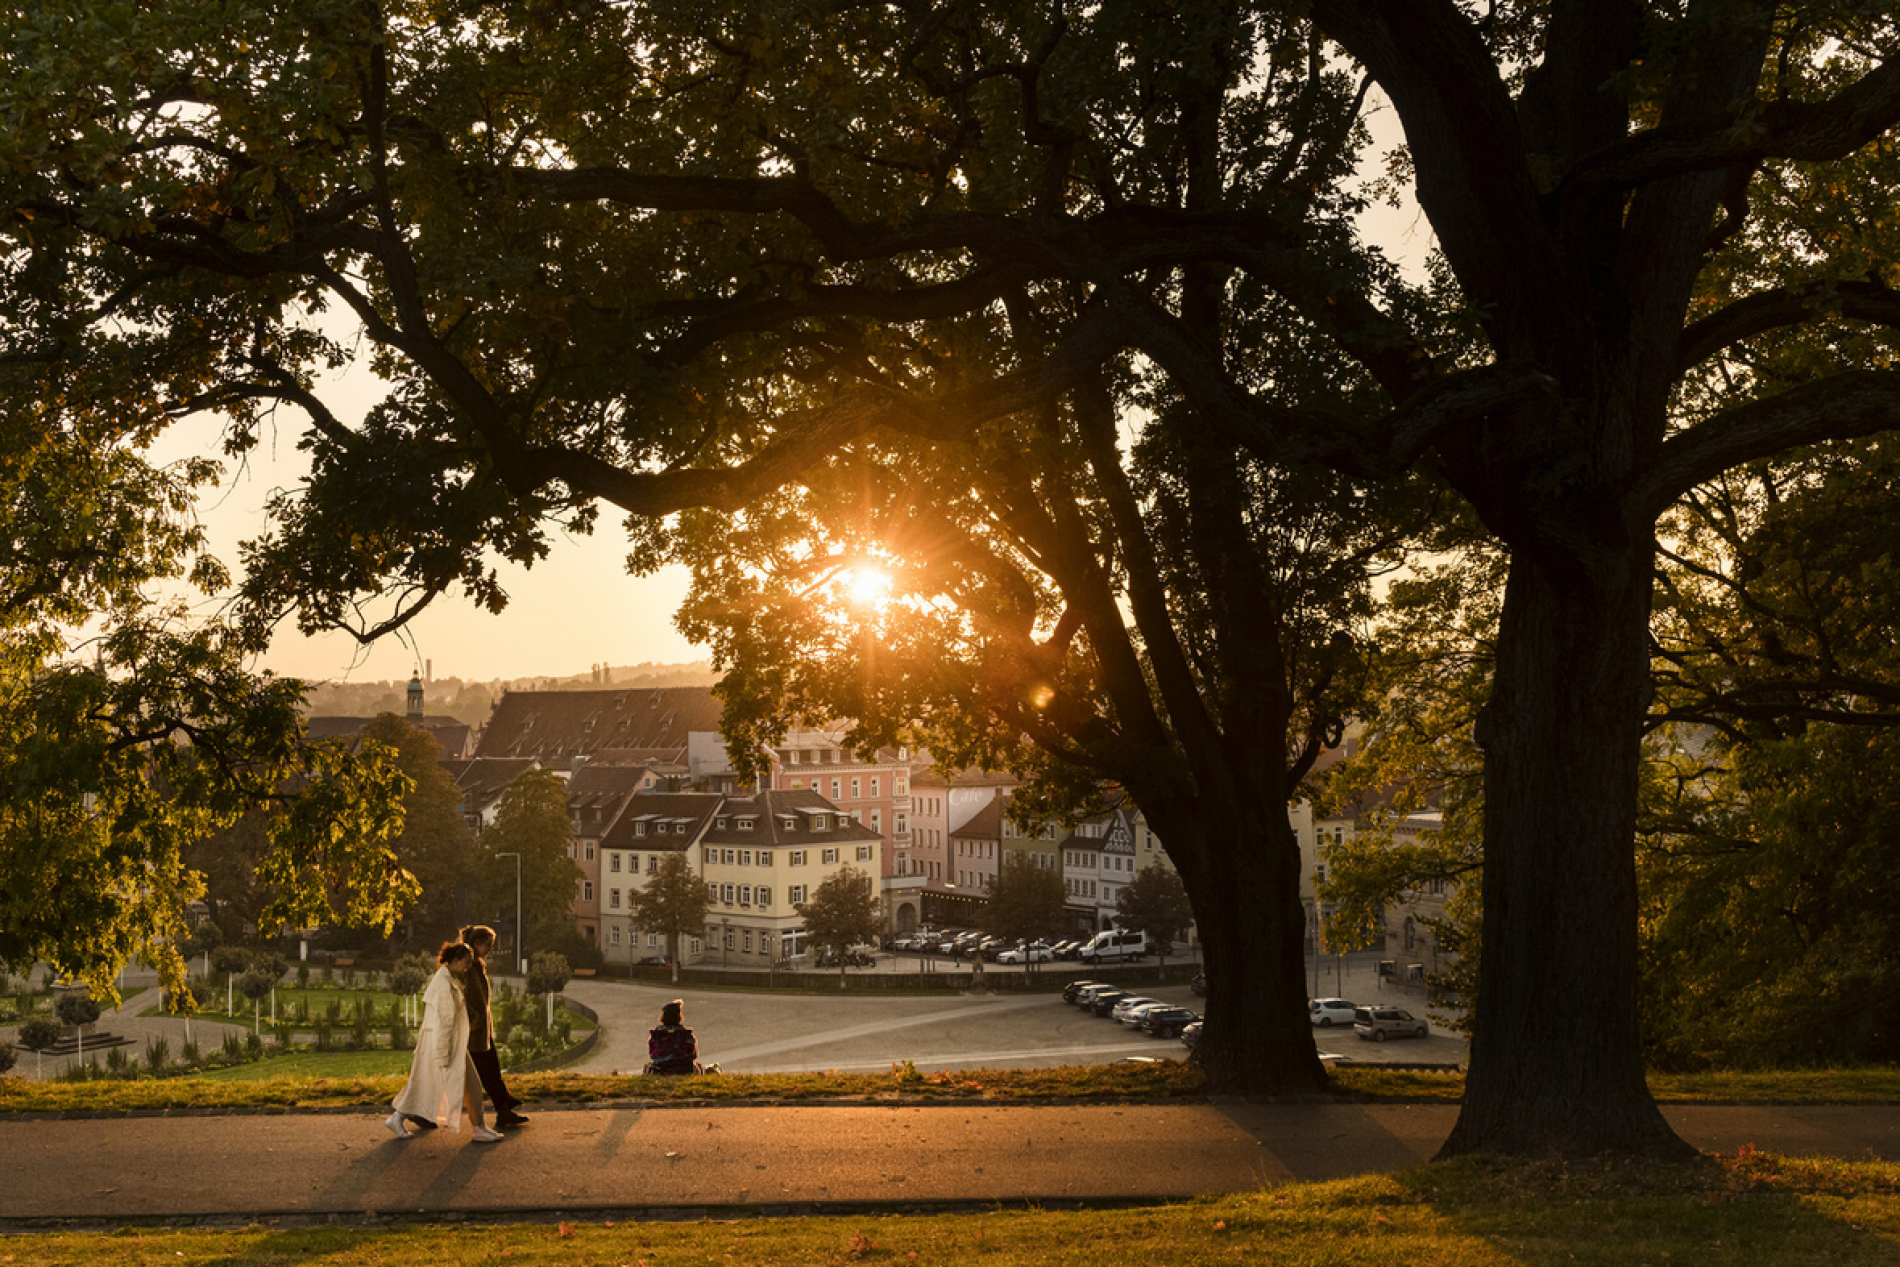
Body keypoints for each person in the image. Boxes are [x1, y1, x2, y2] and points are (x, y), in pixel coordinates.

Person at [385, 943, 502, 1142]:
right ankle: (478, 1128)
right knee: (427, 1085)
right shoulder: (444, 985)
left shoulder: (446, 980)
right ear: (455, 961)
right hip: (444, 1046)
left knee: (429, 1084)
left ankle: (479, 1127)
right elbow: (445, 1023)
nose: (468, 967)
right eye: (466, 962)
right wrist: (444, 1054)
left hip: (448, 1045)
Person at [460, 924, 528, 1127]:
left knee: (492, 1069)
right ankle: (503, 1105)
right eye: (488, 945)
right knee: (485, 1073)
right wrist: (475, 1020)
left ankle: (504, 1105)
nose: (490, 949)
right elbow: (466, 997)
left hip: (482, 1030)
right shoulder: (468, 966)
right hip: (474, 1032)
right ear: (477, 943)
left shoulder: (477, 964)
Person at [645, 998, 701, 1075]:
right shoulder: (686, 1034)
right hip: (684, 1069)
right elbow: (693, 1054)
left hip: (661, 1069)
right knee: (698, 1067)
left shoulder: (656, 1035)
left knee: (648, 1067)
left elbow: (652, 1054)